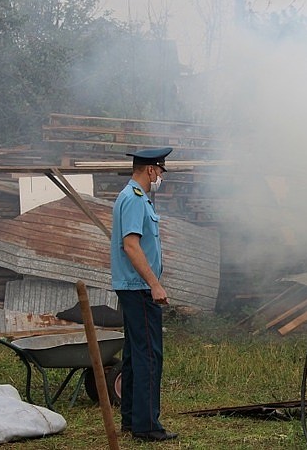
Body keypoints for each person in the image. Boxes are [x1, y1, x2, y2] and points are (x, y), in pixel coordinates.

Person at [110, 147, 178, 442]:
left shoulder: (130, 197)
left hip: (132, 287)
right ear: (151, 170)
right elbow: (132, 246)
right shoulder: (135, 199)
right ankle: (147, 425)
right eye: (160, 171)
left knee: (135, 353)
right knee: (149, 354)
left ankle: (131, 419)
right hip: (139, 288)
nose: (160, 177)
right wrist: (155, 283)